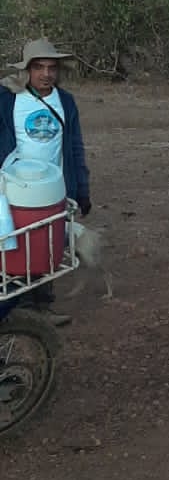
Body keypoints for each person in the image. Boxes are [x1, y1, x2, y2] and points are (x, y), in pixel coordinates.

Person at [1, 38, 93, 327]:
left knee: (46, 246)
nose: (46, 74)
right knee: (15, 248)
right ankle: (18, 310)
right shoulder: (8, 100)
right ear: (27, 70)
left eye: (51, 67)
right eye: (39, 67)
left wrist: (82, 189)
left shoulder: (65, 102)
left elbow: (75, 147)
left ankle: (41, 309)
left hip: (52, 189)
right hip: (14, 190)